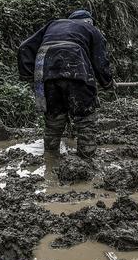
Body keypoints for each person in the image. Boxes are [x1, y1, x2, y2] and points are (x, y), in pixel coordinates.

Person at [18, 10, 114, 159]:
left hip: (46, 73)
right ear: (89, 22)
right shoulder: (90, 28)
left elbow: (24, 47)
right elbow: (100, 61)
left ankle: (50, 158)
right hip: (76, 70)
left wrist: (28, 75)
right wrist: (107, 82)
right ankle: (85, 161)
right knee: (85, 118)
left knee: (53, 119)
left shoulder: (53, 24)